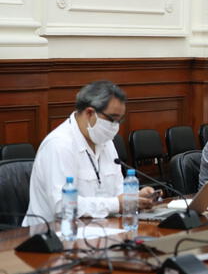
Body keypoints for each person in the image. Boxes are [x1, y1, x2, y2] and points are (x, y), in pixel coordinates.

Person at [23, 81, 156, 226]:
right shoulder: (59, 145)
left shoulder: (106, 141)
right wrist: (117, 203)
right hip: (49, 236)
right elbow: (62, 206)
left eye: (120, 120)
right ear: (89, 113)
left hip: (99, 229)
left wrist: (136, 197)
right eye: (112, 119)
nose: (115, 126)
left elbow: (118, 193)